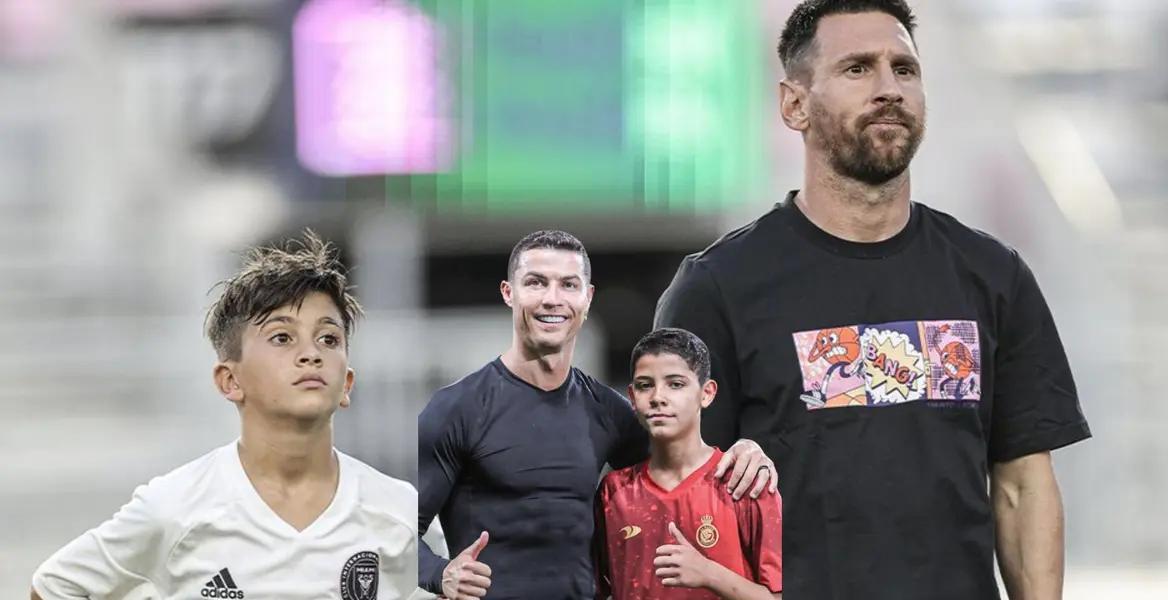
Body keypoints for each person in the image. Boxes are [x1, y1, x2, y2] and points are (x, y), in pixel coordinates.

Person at [654, 1, 1092, 598]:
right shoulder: (718, 289)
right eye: (858, 69)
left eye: (904, 70)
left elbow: (1022, 484)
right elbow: (678, 499)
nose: (889, 88)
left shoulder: (992, 276)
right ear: (794, 105)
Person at [31, 232, 417, 600]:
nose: (311, 353)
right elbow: (54, 587)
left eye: (328, 339)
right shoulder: (175, 508)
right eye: (282, 337)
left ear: (346, 383)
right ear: (230, 380)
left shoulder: (401, 514)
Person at [418, 231, 778, 600]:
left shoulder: (608, 412)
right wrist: (441, 573)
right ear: (509, 292)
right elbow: (399, 533)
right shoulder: (456, 410)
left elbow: (686, 468)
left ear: (587, 298)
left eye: (568, 285)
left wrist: (747, 448)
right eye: (536, 283)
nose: (552, 299)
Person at [594, 328, 783, 600]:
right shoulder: (613, 492)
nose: (658, 396)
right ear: (632, 397)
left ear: (706, 394)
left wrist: (708, 573)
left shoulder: (744, 481)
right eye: (646, 385)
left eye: (676, 384)